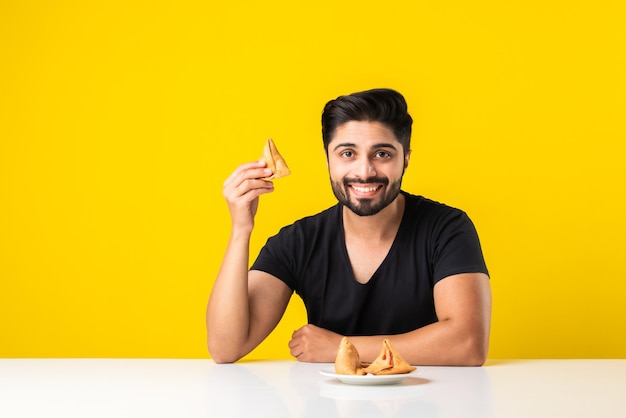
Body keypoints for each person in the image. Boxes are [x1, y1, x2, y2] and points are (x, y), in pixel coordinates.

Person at [206, 88, 491, 366]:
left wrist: (342, 346)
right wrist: (241, 230)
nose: (364, 171)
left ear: (405, 159)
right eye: (347, 154)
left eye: (382, 154)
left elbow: (468, 344)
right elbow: (225, 347)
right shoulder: (299, 242)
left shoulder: (447, 229)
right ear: (328, 160)